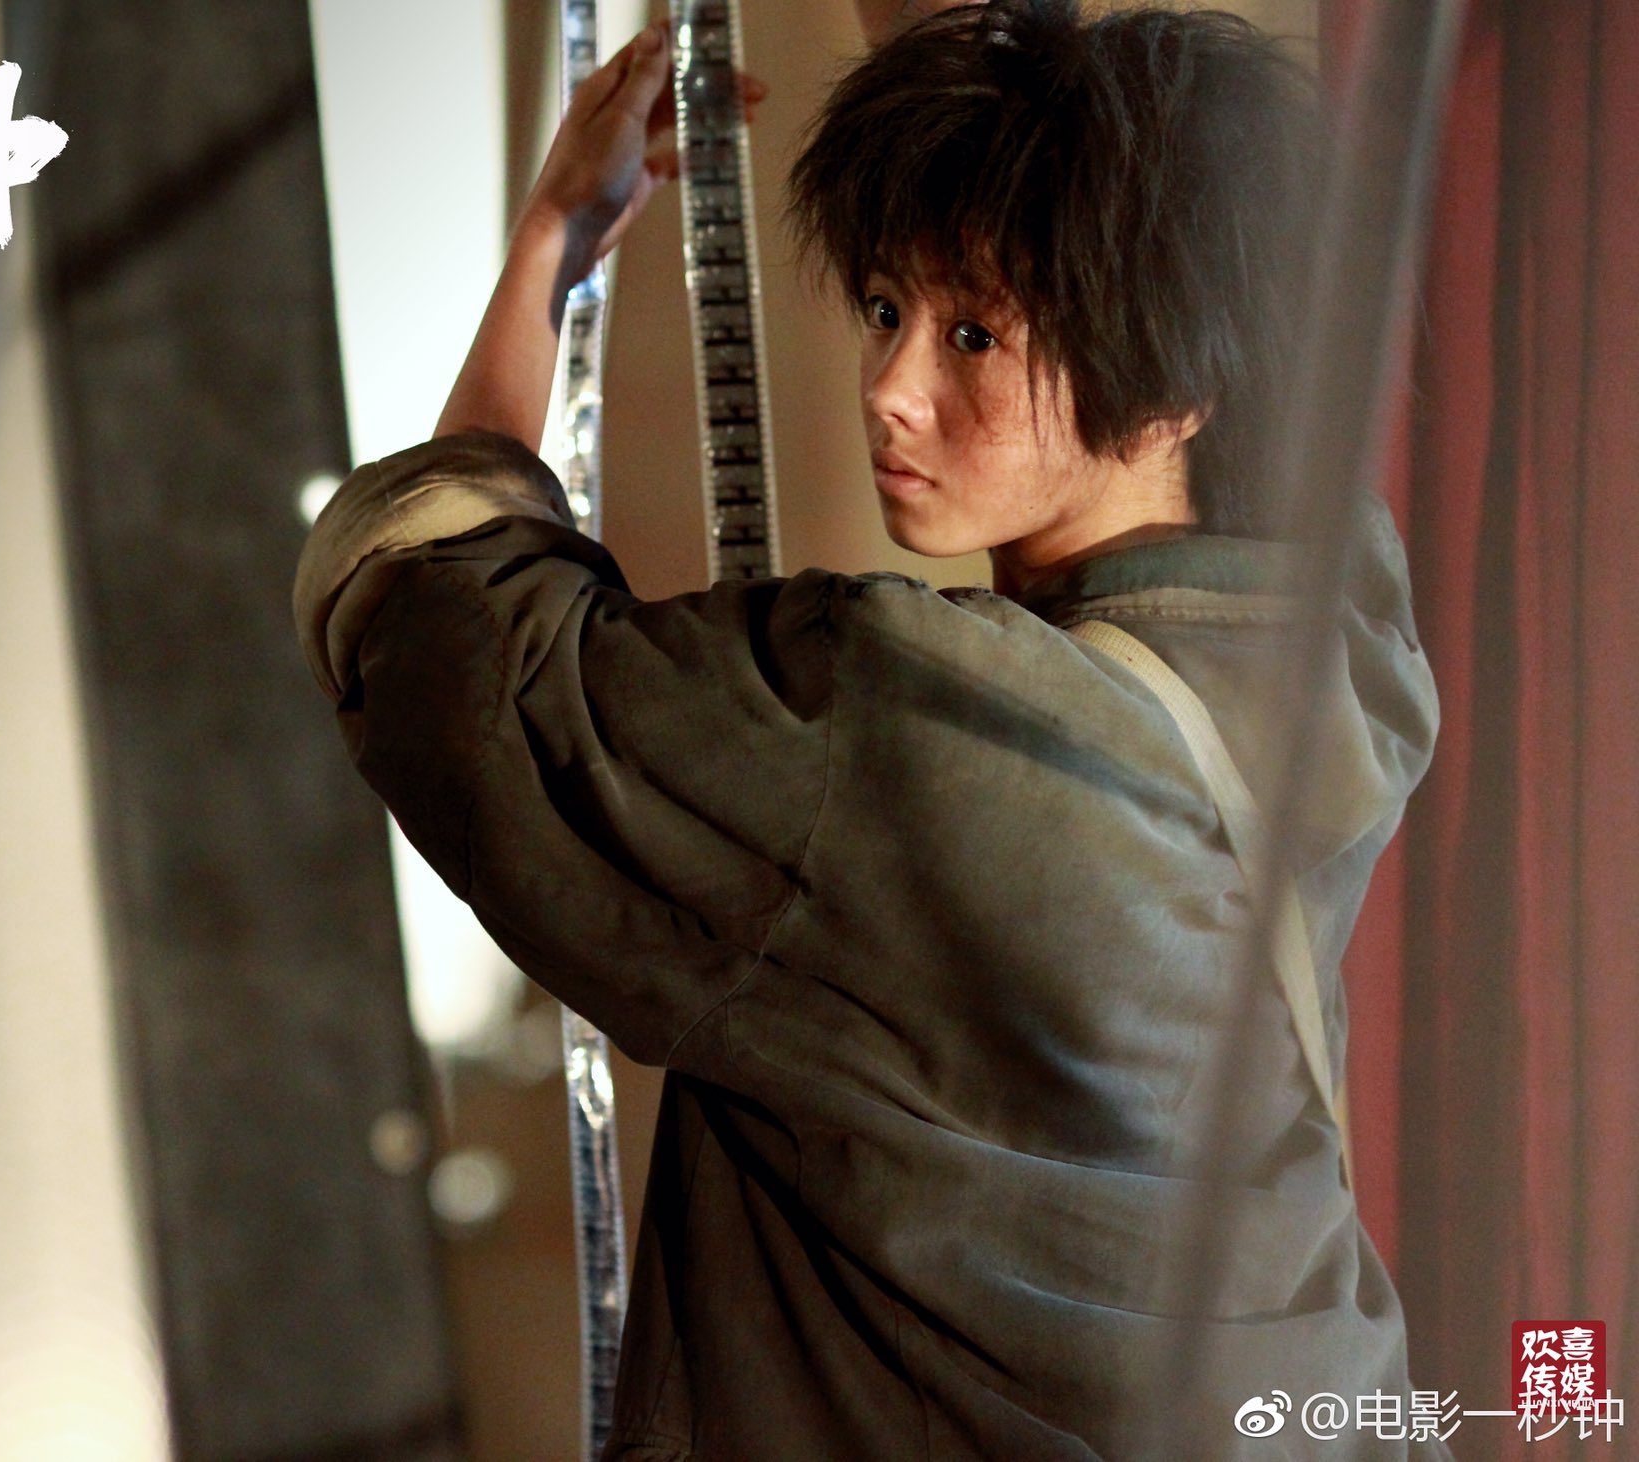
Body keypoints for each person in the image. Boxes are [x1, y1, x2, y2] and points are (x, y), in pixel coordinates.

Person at [292, 3, 1447, 1457]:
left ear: (1171, 389)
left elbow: (439, 614)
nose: (893, 390)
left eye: (974, 334)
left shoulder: (904, 723)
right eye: (889, 309)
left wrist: (551, 250)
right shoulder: (1338, 648)